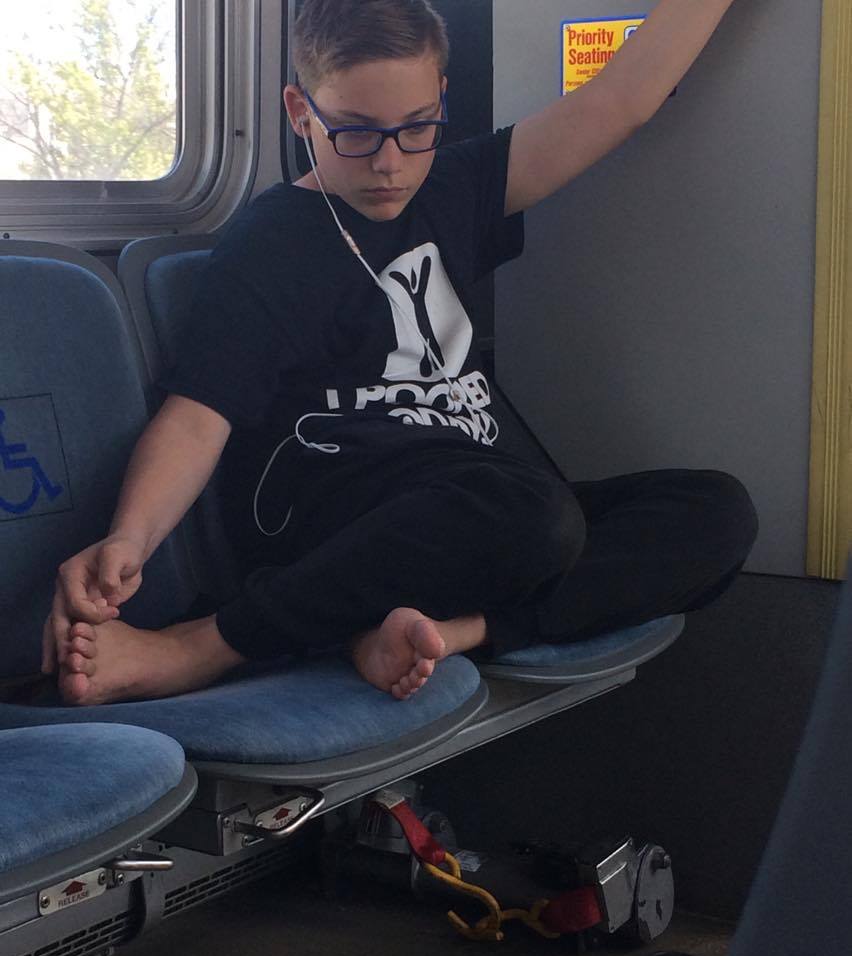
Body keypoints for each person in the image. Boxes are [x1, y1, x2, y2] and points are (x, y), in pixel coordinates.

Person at [43, 0, 758, 707]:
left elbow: (621, 100)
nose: (390, 164)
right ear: (300, 113)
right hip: (348, 511)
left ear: (441, 99)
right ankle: (203, 645)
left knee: (715, 510)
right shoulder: (270, 244)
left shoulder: (453, 185)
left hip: (476, 504)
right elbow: (198, 416)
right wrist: (129, 538)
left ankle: (451, 631)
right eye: (356, 133)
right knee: (533, 515)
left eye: (416, 128)